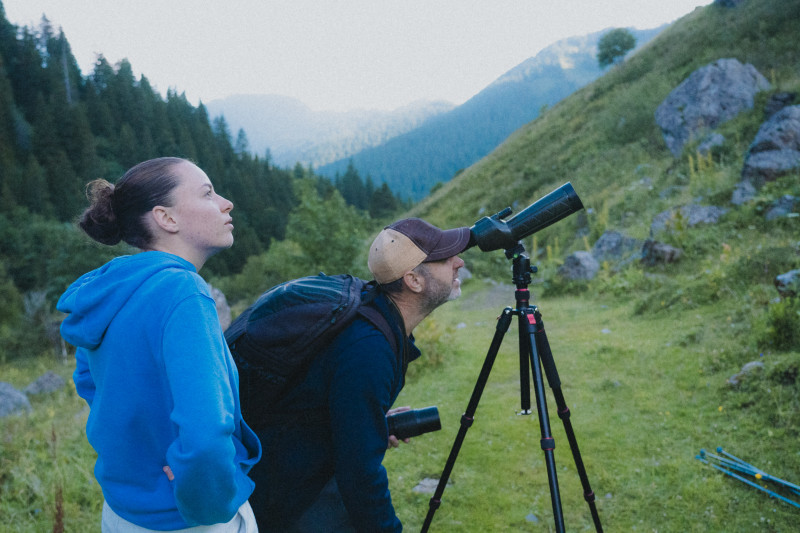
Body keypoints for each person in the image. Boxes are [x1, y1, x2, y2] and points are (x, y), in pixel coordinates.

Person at [57, 157, 262, 532]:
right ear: (166, 218)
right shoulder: (183, 292)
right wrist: (210, 506)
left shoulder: (109, 290)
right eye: (207, 193)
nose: (225, 202)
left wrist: (138, 453)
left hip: (122, 512)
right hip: (186, 519)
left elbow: (90, 383)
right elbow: (205, 435)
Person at [247, 217, 470, 532]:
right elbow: (360, 474)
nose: (459, 262)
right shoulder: (370, 347)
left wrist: (372, 421)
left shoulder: (374, 317)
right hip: (293, 498)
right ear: (414, 281)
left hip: (299, 473)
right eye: (446, 259)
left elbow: (327, 398)